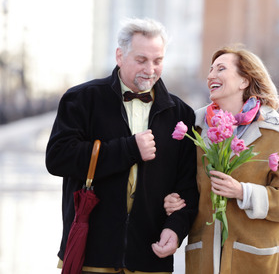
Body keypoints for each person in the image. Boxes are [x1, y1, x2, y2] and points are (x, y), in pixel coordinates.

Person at [46, 18, 199, 274]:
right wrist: (129, 149)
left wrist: (176, 228)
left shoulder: (181, 114)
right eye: (141, 60)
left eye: (158, 60)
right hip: (91, 254)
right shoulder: (82, 99)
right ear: (120, 56)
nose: (150, 69)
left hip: (150, 259)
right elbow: (57, 158)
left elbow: (188, 186)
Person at [164, 45, 279, 273]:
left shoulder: (274, 130)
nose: (211, 75)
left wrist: (243, 192)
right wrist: (175, 200)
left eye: (221, 69)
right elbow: (188, 185)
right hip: (205, 259)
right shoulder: (197, 127)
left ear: (244, 81)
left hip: (255, 258)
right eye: (210, 70)